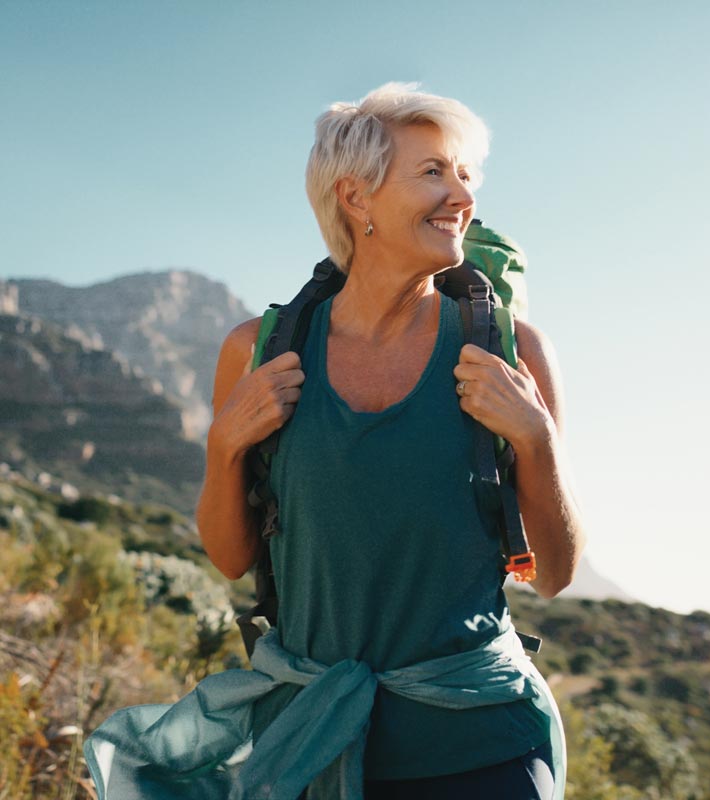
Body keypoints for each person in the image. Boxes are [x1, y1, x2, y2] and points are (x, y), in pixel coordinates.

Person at [84, 83, 585, 800]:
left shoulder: (513, 352)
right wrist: (225, 446)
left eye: (465, 175)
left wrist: (535, 438)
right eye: (433, 172)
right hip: (309, 744)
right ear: (357, 198)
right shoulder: (258, 352)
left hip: (480, 743)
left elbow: (559, 571)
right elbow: (232, 557)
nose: (461, 197)